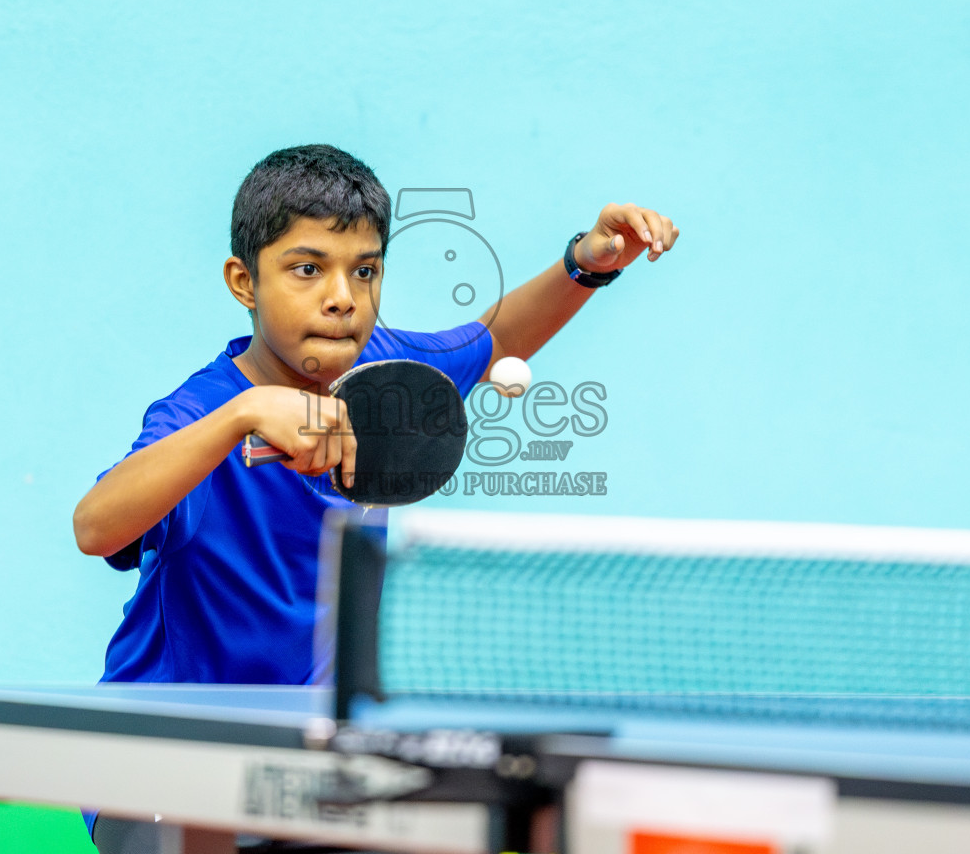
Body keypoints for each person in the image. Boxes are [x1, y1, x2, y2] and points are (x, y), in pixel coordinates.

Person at [72, 144, 678, 852]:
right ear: (244, 281)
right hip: (159, 761)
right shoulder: (200, 410)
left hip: (312, 761)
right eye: (307, 269)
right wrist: (239, 418)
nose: (341, 297)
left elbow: (494, 338)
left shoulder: (386, 374)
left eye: (365, 271)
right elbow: (95, 526)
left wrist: (588, 263)